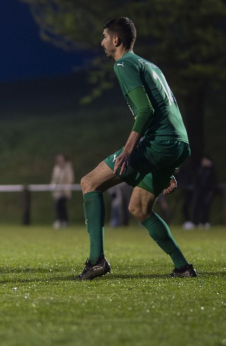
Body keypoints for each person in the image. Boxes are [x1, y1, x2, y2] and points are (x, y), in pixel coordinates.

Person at [77, 17, 196, 280]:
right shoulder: (150, 65)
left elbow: (145, 110)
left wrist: (129, 150)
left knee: (89, 183)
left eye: (105, 37)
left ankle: (96, 260)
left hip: (159, 141)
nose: (102, 42)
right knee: (139, 208)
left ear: (116, 40)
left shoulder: (123, 64)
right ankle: (183, 267)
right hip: (179, 143)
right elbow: (167, 111)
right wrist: (169, 164)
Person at [192, 155, 218, 229]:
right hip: (199, 191)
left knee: (205, 207)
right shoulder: (199, 169)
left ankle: (205, 222)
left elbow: (214, 181)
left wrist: (211, 191)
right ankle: (196, 223)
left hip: (207, 192)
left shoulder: (211, 171)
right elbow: (196, 180)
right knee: (196, 207)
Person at [50, 154, 74, 229]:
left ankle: (62, 221)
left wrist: (66, 187)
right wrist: (53, 187)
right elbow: (54, 179)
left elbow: (70, 178)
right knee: (59, 206)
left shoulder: (68, 167)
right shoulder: (56, 168)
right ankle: (61, 220)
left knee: (61, 205)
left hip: (65, 191)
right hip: (57, 191)